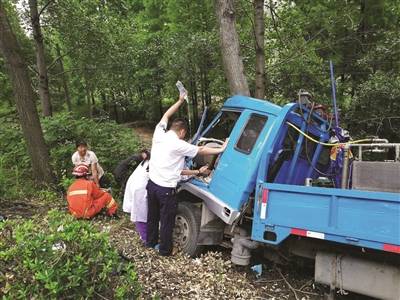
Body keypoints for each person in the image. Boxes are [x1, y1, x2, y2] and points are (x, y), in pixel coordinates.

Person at [146, 91, 228, 256]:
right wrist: (222, 148)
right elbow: (202, 150)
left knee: (152, 216)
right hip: (166, 190)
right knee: (167, 220)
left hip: (152, 185)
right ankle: (164, 251)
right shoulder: (178, 144)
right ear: (182, 132)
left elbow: (166, 115)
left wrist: (180, 100)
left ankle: (150, 242)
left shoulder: (159, 133)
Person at [123, 150, 151, 242]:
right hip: (140, 188)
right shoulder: (154, 161)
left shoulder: (148, 160)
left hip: (137, 185)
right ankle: (145, 238)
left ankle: (145, 236)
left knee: (141, 212)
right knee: (141, 214)